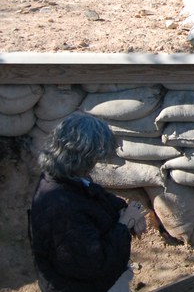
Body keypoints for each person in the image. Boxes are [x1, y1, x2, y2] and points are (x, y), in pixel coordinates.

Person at [30, 112, 147, 292]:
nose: (96, 164)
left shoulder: (64, 178)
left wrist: (126, 209)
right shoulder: (63, 207)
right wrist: (125, 224)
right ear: (82, 157)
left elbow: (98, 197)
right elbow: (95, 265)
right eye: (94, 159)